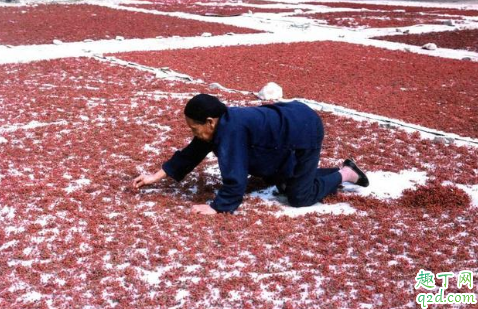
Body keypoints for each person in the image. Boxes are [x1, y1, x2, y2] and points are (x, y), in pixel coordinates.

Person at [133, 94, 369, 215]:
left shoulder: (231, 130)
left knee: (299, 197)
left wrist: (219, 207)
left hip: (304, 128)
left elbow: (235, 174)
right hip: (286, 125)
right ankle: (301, 174)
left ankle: (346, 173)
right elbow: (192, 151)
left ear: (209, 121)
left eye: (195, 129)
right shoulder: (218, 124)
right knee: (282, 181)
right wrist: (156, 175)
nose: (194, 133)